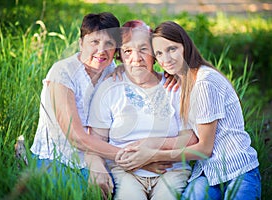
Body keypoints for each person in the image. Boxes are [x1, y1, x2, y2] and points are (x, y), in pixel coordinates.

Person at [116, 21, 261, 199]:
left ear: (185, 46)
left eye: (172, 49)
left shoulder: (204, 82)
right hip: (206, 172)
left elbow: (204, 148)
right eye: (159, 53)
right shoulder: (182, 81)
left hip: (237, 169)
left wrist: (152, 154)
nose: (166, 59)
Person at [86, 20, 196, 200]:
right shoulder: (109, 89)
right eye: (128, 51)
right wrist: (96, 168)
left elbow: (191, 138)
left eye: (143, 49)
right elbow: (95, 142)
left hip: (171, 170)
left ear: (154, 53)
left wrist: (152, 147)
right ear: (120, 56)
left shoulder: (174, 87)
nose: (136, 58)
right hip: (125, 171)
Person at [30, 12, 122, 197]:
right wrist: (130, 156)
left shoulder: (112, 71)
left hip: (100, 152)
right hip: (60, 154)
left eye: (109, 44)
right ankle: (25, 159)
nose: (101, 50)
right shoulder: (62, 73)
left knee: (127, 187)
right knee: (86, 193)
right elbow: (76, 137)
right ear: (81, 43)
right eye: (94, 42)